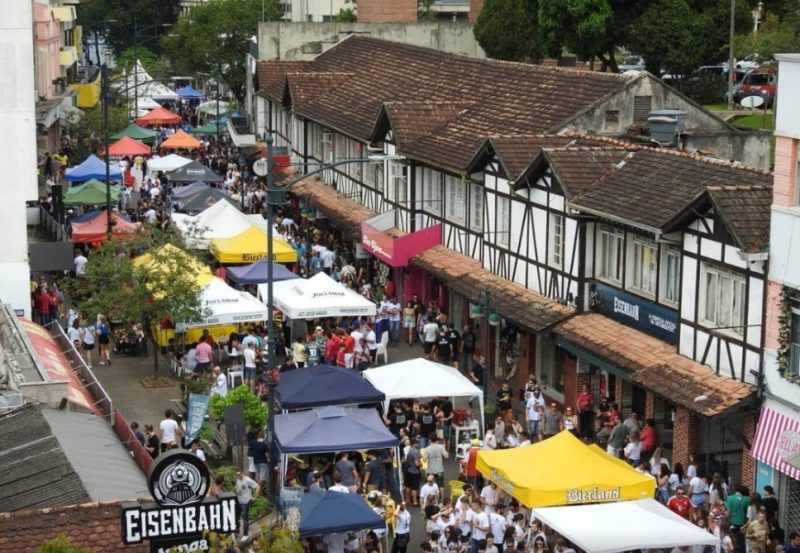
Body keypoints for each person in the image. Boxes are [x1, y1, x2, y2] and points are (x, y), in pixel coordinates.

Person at [235, 468, 260, 540]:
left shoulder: (247, 480)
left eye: (239, 474)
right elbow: (237, 487)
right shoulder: (237, 480)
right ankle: (236, 531)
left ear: (242, 473)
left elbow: (257, 487)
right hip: (239, 501)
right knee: (237, 516)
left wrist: (254, 497)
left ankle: (245, 535)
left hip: (246, 502)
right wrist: (237, 490)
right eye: (237, 475)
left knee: (244, 518)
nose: (238, 476)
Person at [725, 484, 750, 553]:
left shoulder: (730, 498)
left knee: (733, 539)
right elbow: (748, 512)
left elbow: (728, 512)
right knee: (741, 541)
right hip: (743, 523)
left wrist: (725, 519)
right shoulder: (746, 499)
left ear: (734, 489)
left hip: (733, 522)